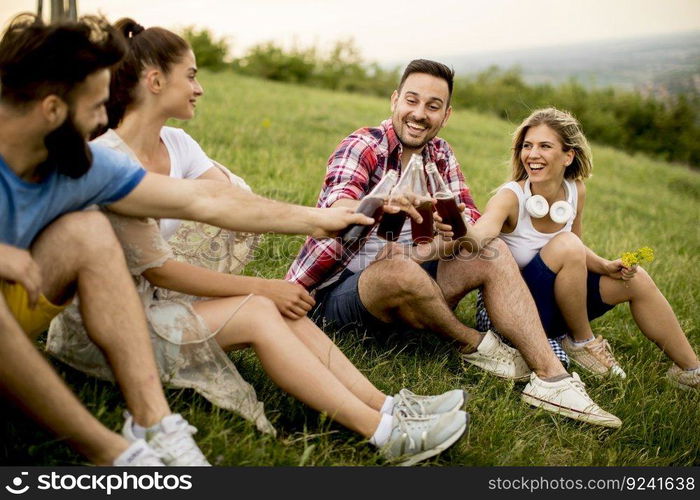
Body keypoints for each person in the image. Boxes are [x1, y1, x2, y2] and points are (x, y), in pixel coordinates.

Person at [46, 19, 469, 466]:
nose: (199, 87)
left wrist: (350, 211)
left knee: (277, 305)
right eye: (190, 75)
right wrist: (263, 286)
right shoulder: (110, 160)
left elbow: (235, 203)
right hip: (109, 331)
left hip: (157, 305)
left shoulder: (176, 143)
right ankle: (383, 434)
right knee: (261, 309)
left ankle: (385, 405)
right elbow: (159, 269)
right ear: (155, 81)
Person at [0, 14, 372, 466]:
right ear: (53, 110)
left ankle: (153, 424)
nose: (104, 118)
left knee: (86, 230)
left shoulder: (85, 164)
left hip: (27, 298)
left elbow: (204, 201)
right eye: (96, 106)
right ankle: (112, 453)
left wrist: (320, 219)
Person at [287, 59, 622, 428]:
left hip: (415, 281)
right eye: (412, 101)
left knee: (492, 250)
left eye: (433, 106)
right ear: (395, 100)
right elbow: (339, 207)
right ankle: (474, 343)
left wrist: (449, 240)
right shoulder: (364, 145)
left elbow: (473, 231)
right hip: (340, 298)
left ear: (446, 114)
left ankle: (552, 380)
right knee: (397, 267)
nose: (419, 114)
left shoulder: (442, 154)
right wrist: (383, 202)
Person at [464, 107, 699, 389]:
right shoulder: (510, 196)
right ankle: (582, 341)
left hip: (555, 305)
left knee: (635, 279)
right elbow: (481, 234)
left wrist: (604, 266)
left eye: (544, 146)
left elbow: (577, 249)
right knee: (566, 244)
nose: (532, 154)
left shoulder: (575, 190)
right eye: (527, 145)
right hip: (513, 313)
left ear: (568, 155)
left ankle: (689, 371)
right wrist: (460, 230)